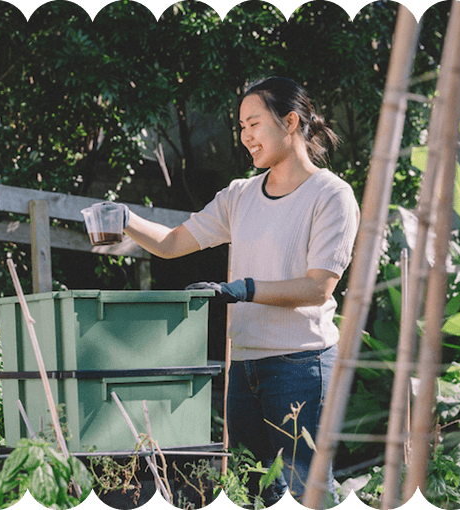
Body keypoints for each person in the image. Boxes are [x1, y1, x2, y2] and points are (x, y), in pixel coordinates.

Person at [122, 77, 359, 505]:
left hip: (301, 366)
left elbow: (318, 286)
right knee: (255, 491)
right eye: (241, 126)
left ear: (290, 122)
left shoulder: (331, 195)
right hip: (245, 368)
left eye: (254, 123)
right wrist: (122, 218)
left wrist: (244, 289)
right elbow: (173, 243)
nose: (246, 136)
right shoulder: (241, 195)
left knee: (306, 492)